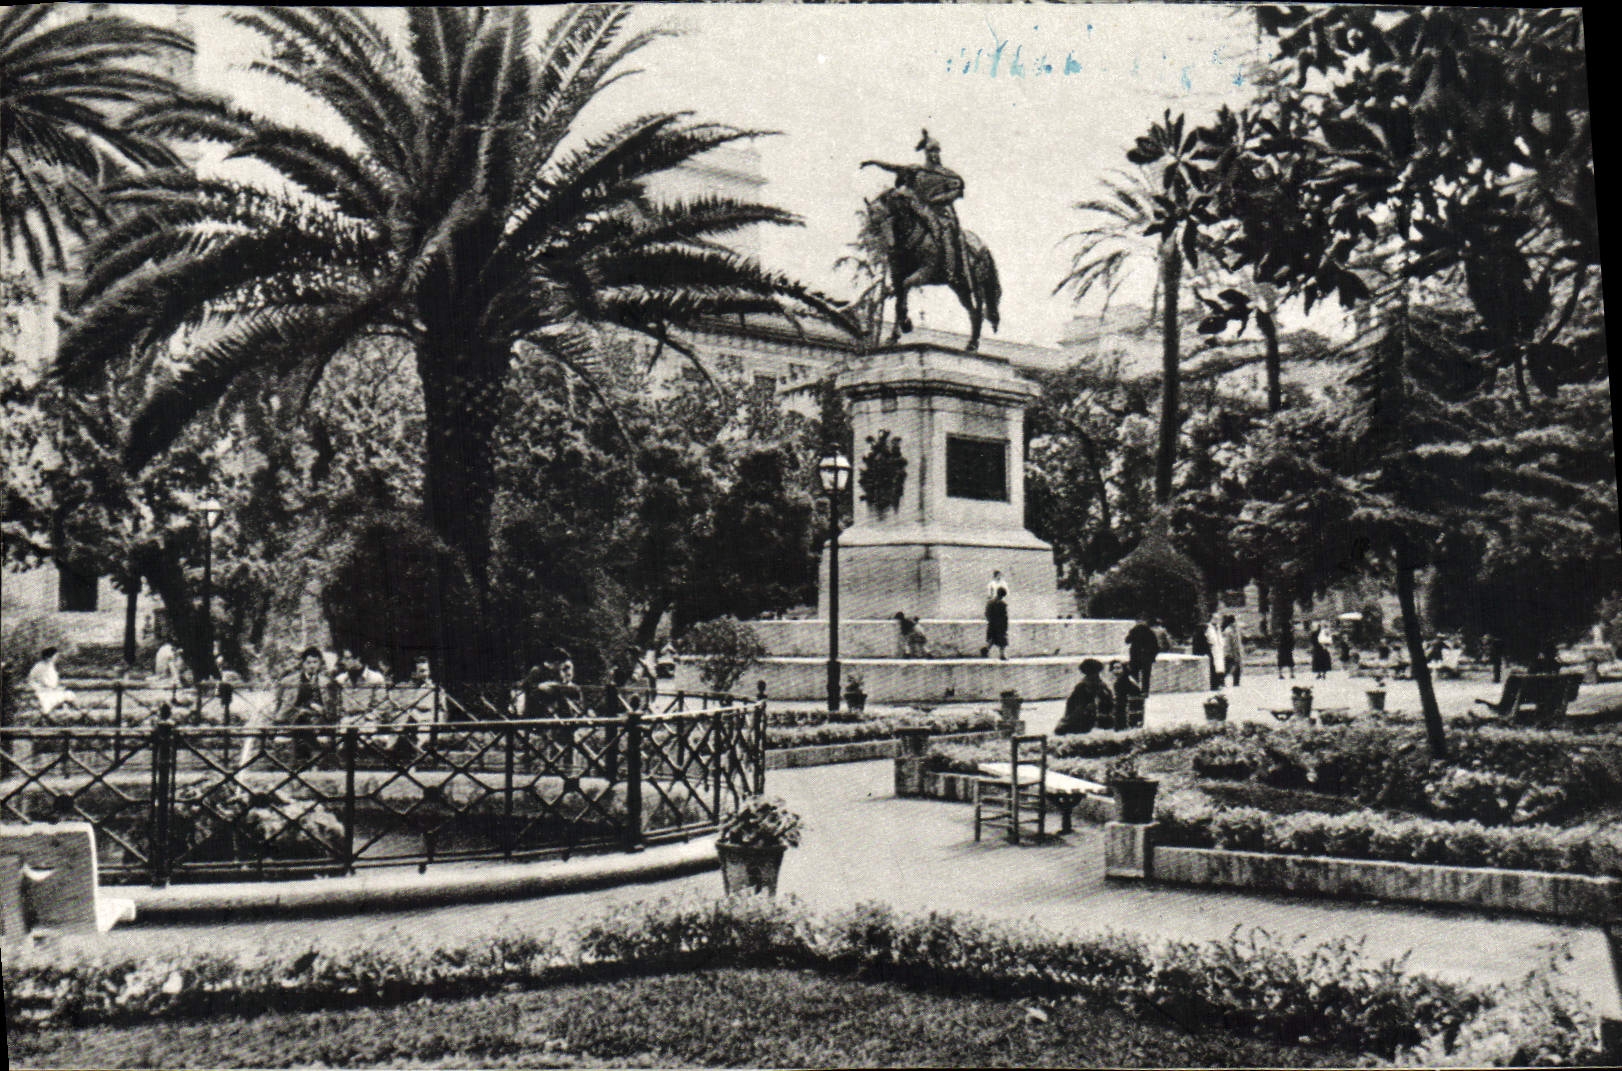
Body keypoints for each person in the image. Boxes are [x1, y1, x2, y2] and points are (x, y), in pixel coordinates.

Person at [862, 129, 971, 290]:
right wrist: (874, 163)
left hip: (942, 214)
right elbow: (893, 167)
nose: (934, 155)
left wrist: (938, 199)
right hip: (919, 212)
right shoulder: (917, 171)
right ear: (926, 153)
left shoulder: (948, 174)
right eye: (930, 151)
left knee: (946, 232)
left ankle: (951, 270)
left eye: (936, 151)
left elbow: (957, 190)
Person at [1056, 659, 1112, 735]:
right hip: (1084, 719)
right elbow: (1074, 707)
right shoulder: (1082, 687)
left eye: (1096, 674)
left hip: (1098, 718)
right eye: (1092, 674)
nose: (1095, 676)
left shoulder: (1101, 686)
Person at [27, 647, 79, 718]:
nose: (56, 658)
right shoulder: (39, 666)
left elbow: (52, 681)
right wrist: (40, 688)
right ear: (48, 657)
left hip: (52, 691)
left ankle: (77, 712)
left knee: (70, 694)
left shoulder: (50, 665)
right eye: (55, 656)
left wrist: (57, 687)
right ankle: (49, 716)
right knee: (48, 703)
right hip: (44, 692)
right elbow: (31, 680)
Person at [1125, 619, 1161, 696]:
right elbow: (1156, 647)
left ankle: (1135, 690)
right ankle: (1144, 691)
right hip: (1145, 658)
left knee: (1135, 674)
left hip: (1135, 657)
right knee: (1145, 676)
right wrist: (1152, 657)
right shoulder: (1150, 632)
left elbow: (1127, 641)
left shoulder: (1134, 631)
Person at [1110, 660, 1140, 731]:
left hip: (1125, 711)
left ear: (1124, 669)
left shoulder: (1123, 682)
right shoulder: (1127, 679)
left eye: (1118, 668)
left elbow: (1121, 698)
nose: (1115, 671)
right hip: (1129, 709)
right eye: (1114, 668)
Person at [984, 589, 1009, 660]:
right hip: (1000, 625)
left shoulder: (990, 602)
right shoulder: (1003, 604)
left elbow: (987, 613)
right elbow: (1005, 616)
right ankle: (1002, 655)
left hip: (992, 624)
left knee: (992, 639)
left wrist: (990, 621)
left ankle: (986, 650)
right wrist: (1005, 626)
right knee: (1002, 641)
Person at [1222, 614, 1245, 686]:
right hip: (1230, 652)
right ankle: (1221, 681)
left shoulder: (1235, 630)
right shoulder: (1228, 631)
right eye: (1235, 621)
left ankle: (1236, 682)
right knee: (1228, 668)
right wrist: (1229, 653)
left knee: (1237, 667)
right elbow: (1228, 644)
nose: (1236, 623)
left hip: (1236, 651)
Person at [1205, 614, 1227, 690]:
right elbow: (1210, 639)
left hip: (1219, 648)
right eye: (1215, 618)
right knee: (1215, 666)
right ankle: (1216, 683)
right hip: (1213, 649)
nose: (1216, 620)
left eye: (1217, 619)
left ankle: (1221, 682)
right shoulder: (1209, 628)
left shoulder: (1218, 628)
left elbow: (1220, 638)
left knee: (1220, 666)